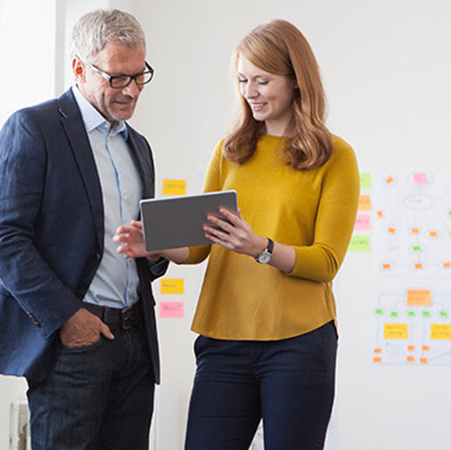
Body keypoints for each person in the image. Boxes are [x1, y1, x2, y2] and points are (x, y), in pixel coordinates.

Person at [115, 19, 359, 449]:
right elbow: (200, 244)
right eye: (244, 80)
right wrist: (157, 244)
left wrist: (260, 248)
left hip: (300, 343)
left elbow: (326, 262)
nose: (251, 91)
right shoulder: (230, 151)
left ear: (296, 81)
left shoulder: (334, 156)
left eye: (263, 80)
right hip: (223, 340)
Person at [0, 8, 167, 450]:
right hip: (73, 344)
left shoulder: (139, 146)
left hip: (136, 343)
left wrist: (155, 252)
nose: (132, 90)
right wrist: (68, 318)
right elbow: (2, 239)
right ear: (80, 68)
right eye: (118, 77)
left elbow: (132, 253)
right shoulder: (34, 128)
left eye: (140, 76)